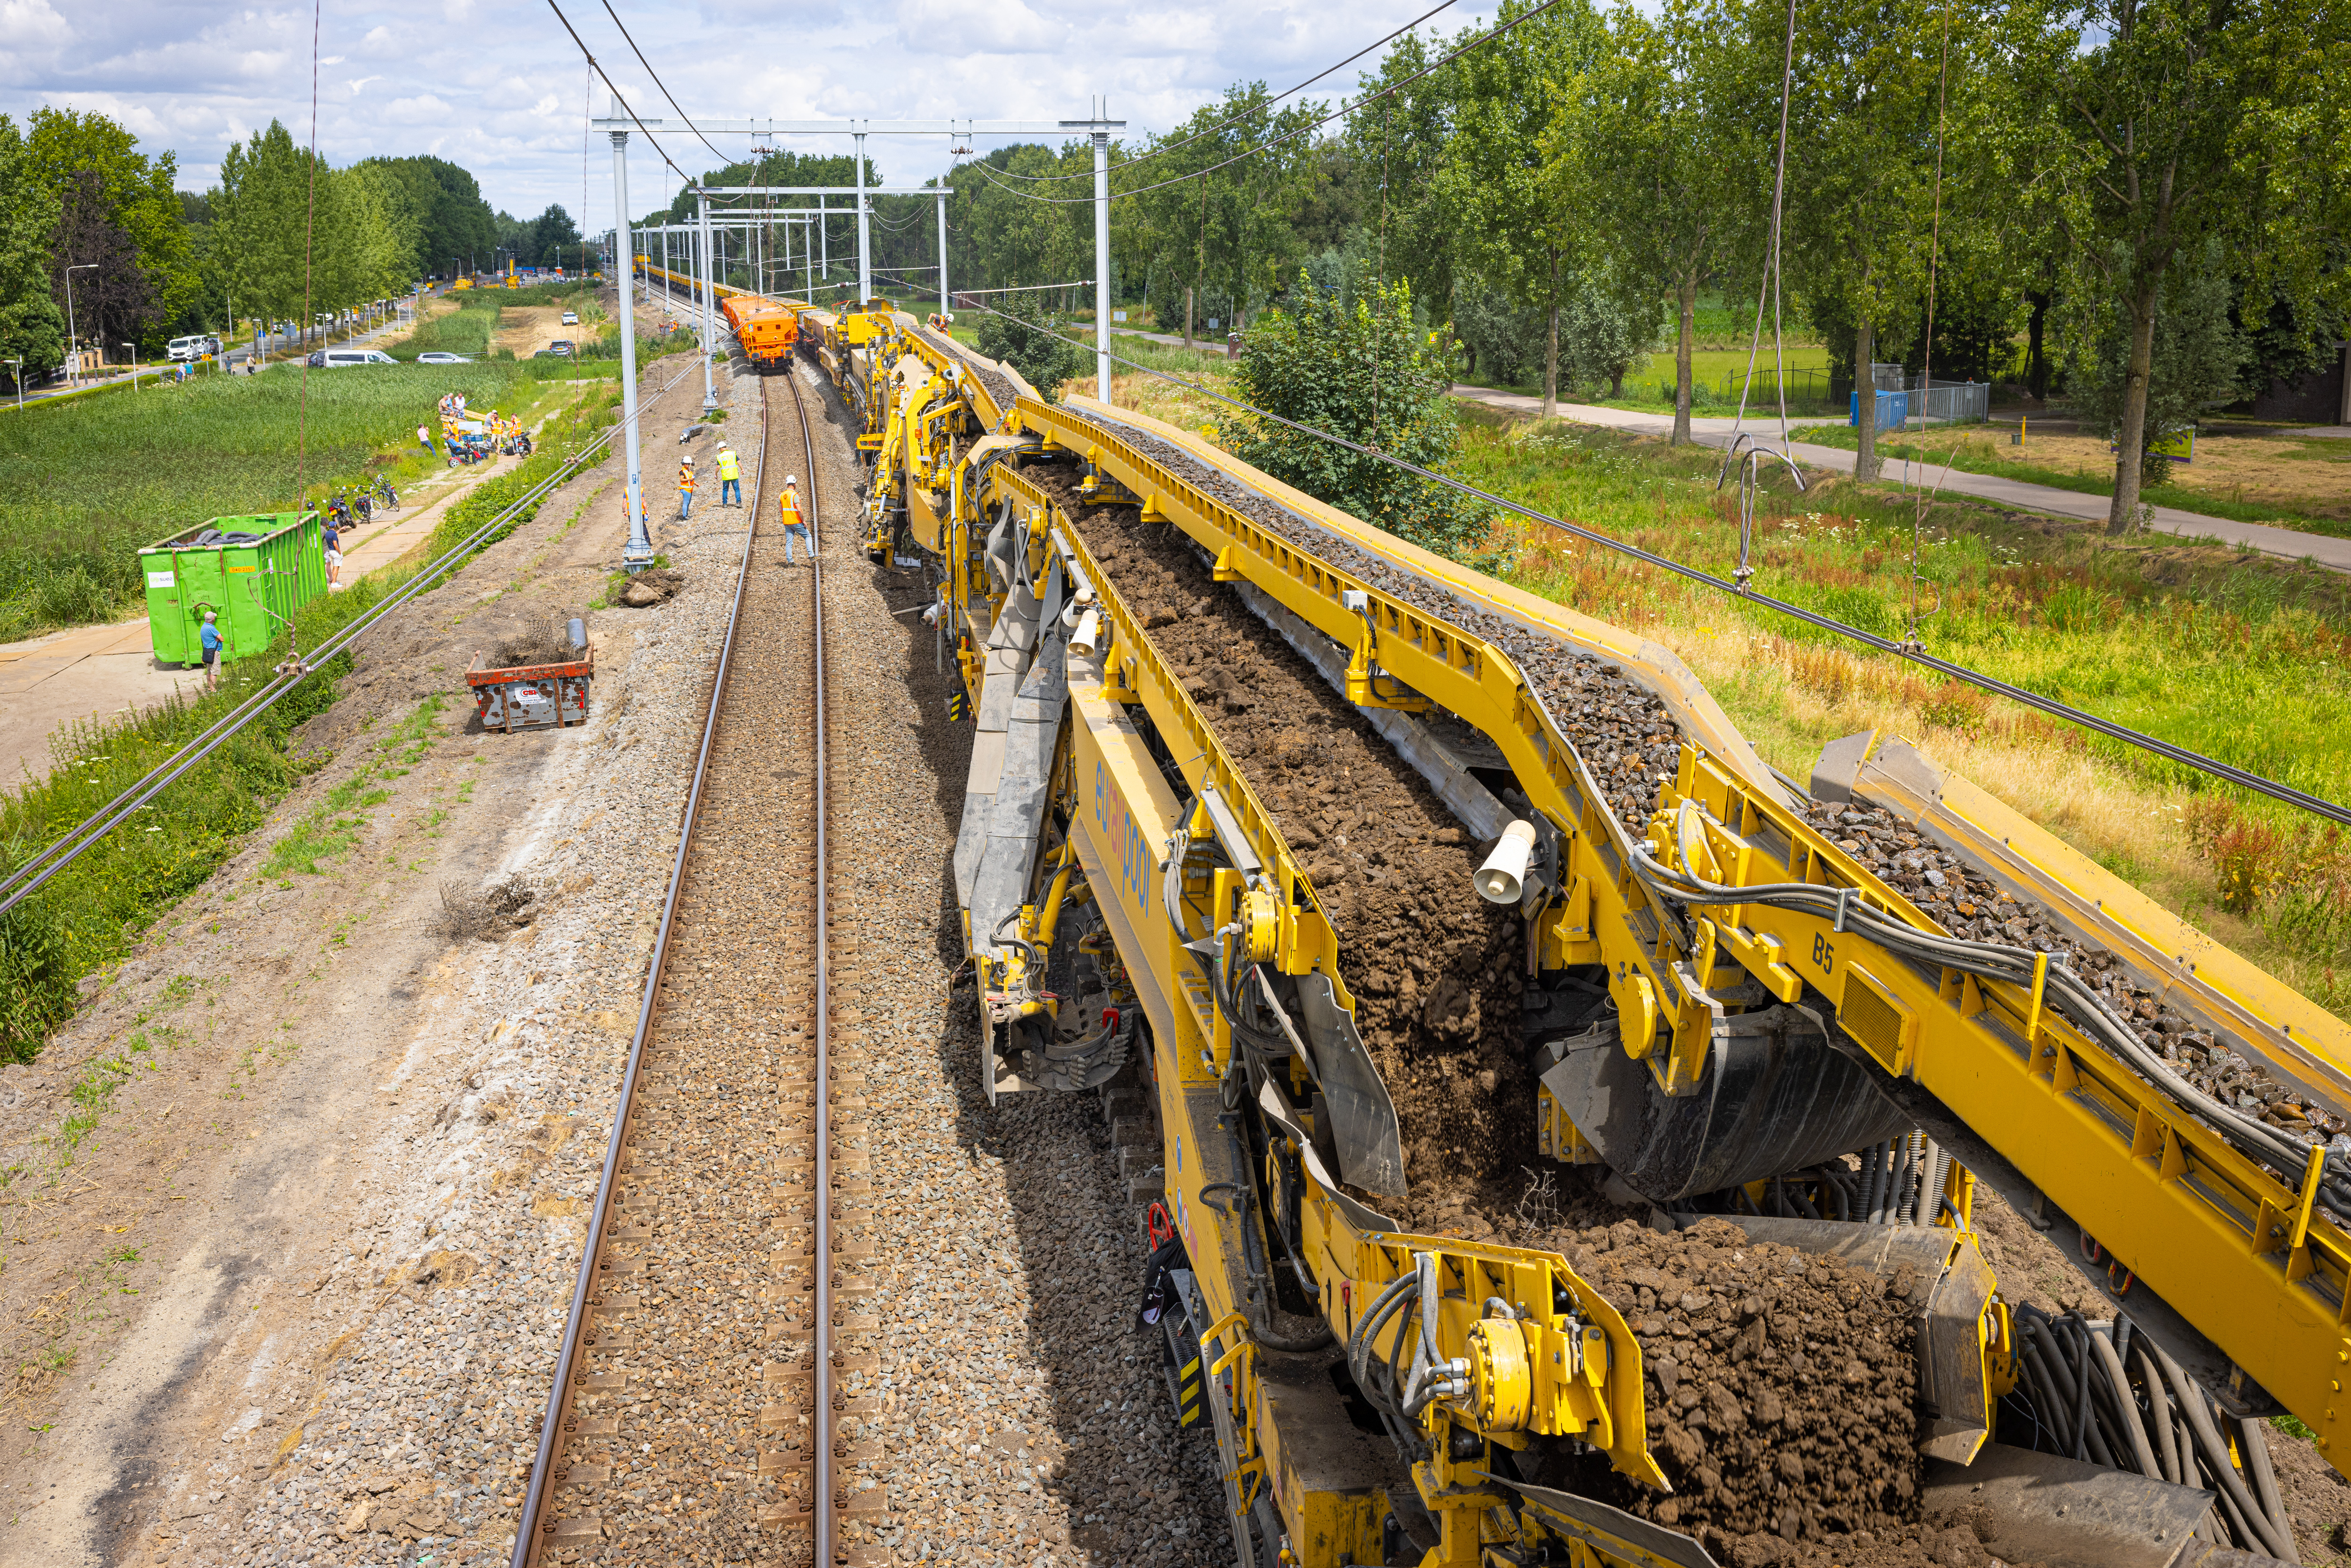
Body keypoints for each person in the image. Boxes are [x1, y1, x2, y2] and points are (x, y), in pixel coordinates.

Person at [781, 476, 811, 565]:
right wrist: (803, 521)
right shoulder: (795, 495)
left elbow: (780, 510)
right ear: (795, 484)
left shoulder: (782, 495)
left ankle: (790, 562)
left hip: (787, 522)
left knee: (789, 542)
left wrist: (786, 516)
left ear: (787, 484)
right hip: (796, 521)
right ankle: (812, 556)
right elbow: (799, 510)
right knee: (808, 536)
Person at [199, 610, 222, 691]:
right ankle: (213, 689)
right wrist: (218, 638)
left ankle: (210, 688)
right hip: (214, 652)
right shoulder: (212, 628)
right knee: (214, 672)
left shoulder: (203, 627)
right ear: (213, 619)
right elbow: (222, 639)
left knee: (209, 671)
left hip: (207, 651)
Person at [715, 443, 741, 508]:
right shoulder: (733, 454)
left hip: (726, 476)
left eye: (719, 450)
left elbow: (718, 467)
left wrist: (716, 474)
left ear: (721, 449)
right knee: (737, 490)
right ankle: (738, 503)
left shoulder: (720, 456)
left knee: (725, 490)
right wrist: (742, 469)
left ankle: (725, 504)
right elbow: (739, 462)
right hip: (734, 475)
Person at [678, 455, 697, 520]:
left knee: (688, 503)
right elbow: (682, 480)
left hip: (689, 489)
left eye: (689, 464)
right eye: (686, 464)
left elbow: (690, 479)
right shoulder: (682, 471)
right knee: (686, 503)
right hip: (686, 489)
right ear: (683, 464)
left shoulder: (688, 470)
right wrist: (690, 479)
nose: (688, 465)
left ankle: (686, 514)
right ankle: (685, 516)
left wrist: (695, 483)